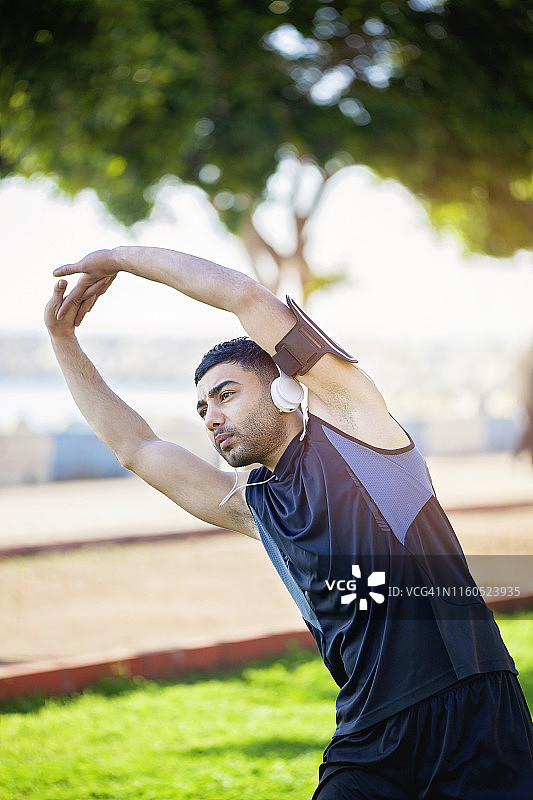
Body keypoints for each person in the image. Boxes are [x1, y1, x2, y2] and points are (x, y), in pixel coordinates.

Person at [45, 246, 533, 800]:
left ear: (284, 390)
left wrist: (119, 259)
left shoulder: (361, 436)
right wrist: (64, 343)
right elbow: (138, 447)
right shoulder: (253, 505)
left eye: (226, 395)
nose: (213, 417)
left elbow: (245, 296)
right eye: (203, 408)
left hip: (471, 710)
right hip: (367, 737)